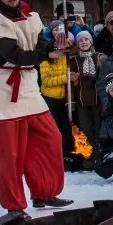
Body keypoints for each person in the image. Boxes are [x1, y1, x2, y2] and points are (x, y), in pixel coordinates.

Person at [0, 0, 69, 223]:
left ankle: (44, 191)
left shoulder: (31, 16)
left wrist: (52, 47)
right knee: (10, 152)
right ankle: (14, 205)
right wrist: (47, 55)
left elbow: (39, 43)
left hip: (29, 86)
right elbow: (14, 55)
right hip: (6, 88)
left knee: (50, 138)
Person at [37, 21, 74, 163]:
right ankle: (51, 157)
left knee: (66, 129)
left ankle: (66, 155)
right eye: (59, 41)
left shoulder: (68, 56)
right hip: (50, 98)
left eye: (64, 42)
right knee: (53, 130)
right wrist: (66, 78)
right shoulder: (47, 57)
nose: (62, 45)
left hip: (65, 98)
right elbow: (46, 80)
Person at [70, 31, 102, 153]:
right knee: (85, 129)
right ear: (77, 44)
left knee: (99, 126)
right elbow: (71, 83)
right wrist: (72, 101)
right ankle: (88, 155)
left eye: (86, 40)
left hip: (97, 99)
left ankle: (100, 153)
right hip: (81, 99)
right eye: (81, 40)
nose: (84, 42)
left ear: (91, 42)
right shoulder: (73, 60)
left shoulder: (99, 57)